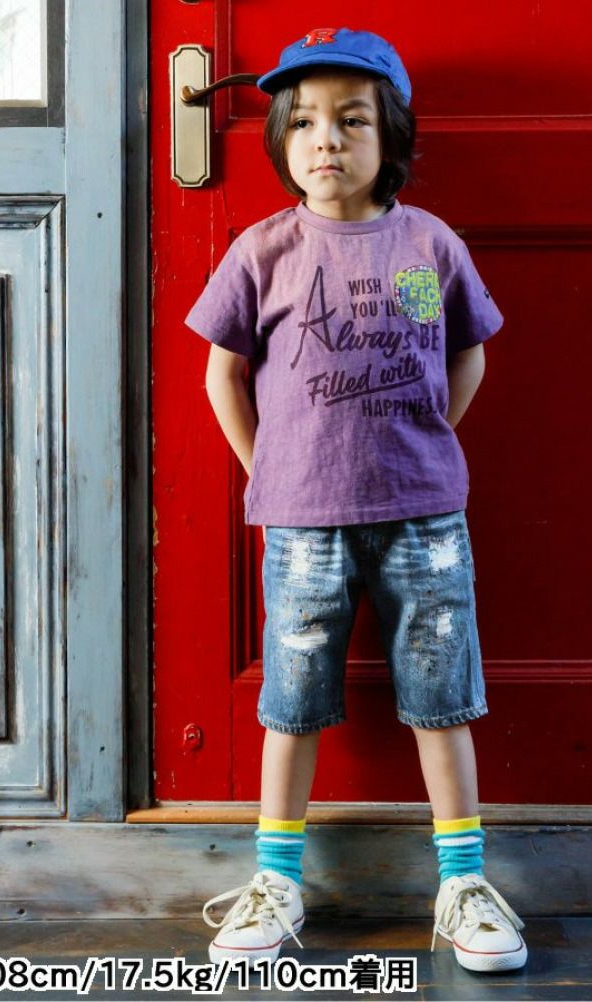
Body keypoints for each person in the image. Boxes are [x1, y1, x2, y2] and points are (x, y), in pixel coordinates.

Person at [185, 27, 527, 974]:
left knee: (440, 697)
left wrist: (429, 436)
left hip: (425, 516)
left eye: (351, 120)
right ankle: (275, 877)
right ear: (281, 142)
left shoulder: (424, 245)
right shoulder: (265, 251)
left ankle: (462, 882)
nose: (325, 139)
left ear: (391, 136)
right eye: (302, 122)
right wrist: (270, 468)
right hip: (303, 522)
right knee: (290, 702)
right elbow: (222, 375)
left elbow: (464, 351)